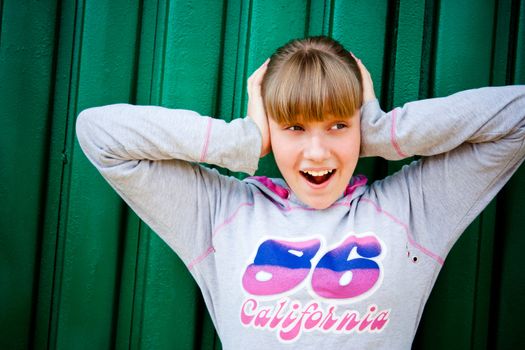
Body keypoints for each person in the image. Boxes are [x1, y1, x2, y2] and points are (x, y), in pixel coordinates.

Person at [75, 36, 525, 349]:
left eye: (338, 125)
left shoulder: (410, 210)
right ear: (272, 129)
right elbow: (99, 133)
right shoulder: (221, 214)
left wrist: (385, 133)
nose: (316, 151)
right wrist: (243, 141)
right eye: (293, 127)